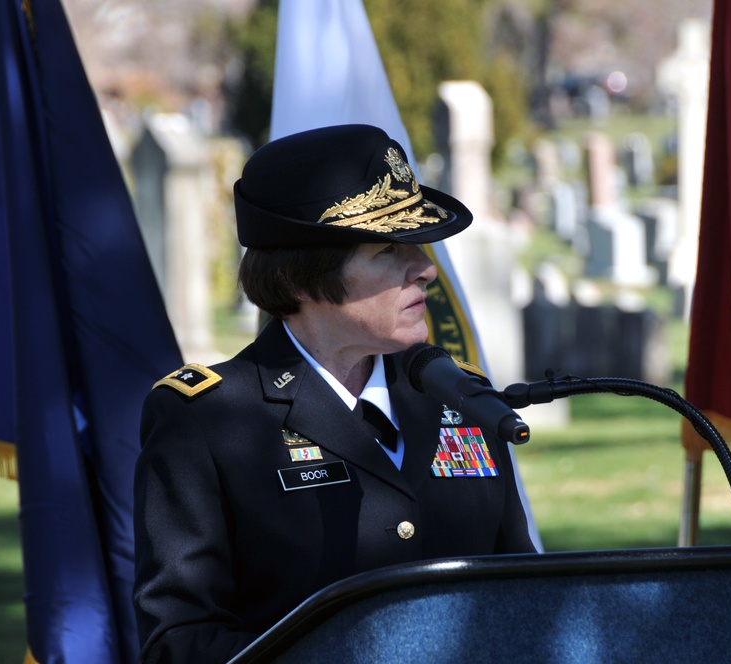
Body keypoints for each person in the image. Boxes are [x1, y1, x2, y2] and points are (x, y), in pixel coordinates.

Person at [132, 124, 537, 663]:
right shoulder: (207, 420)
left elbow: (524, 595)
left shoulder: (460, 398)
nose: (425, 270)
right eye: (388, 251)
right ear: (302, 277)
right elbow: (180, 642)